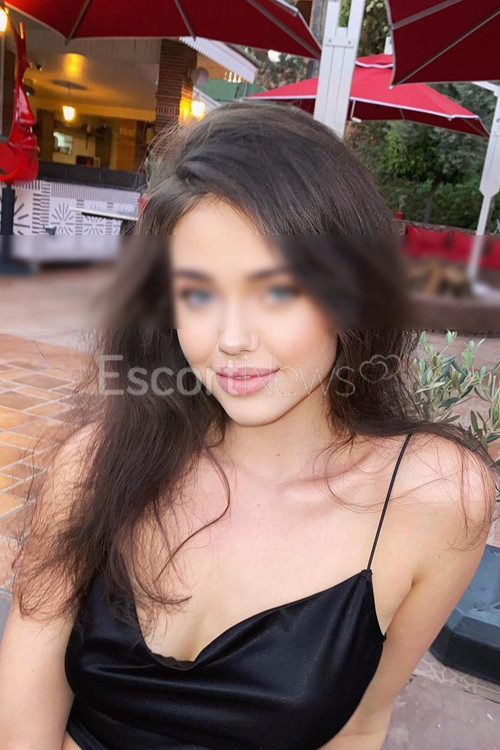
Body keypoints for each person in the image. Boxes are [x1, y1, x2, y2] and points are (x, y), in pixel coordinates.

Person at [0, 101, 498, 750]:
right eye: (199, 293)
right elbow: (24, 713)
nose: (232, 340)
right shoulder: (98, 463)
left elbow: (359, 724)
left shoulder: (432, 499)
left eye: (276, 290)